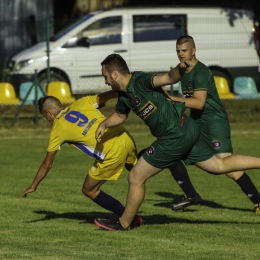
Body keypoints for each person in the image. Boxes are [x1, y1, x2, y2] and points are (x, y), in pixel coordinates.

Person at [93, 53, 260, 231]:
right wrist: (105, 123)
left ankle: (124, 223)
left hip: (173, 137)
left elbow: (167, 77)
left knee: (135, 177)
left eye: (106, 76)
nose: (106, 82)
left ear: (115, 74)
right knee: (218, 165)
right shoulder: (124, 95)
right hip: (187, 128)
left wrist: (180, 69)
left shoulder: (140, 80)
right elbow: (120, 115)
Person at [162, 35, 260, 214]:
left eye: (184, 51)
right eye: (178, 51)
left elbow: (199, 103)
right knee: (175, 150)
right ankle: (191, 195)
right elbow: (167, 78)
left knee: (226, 166)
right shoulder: (183, 70)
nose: (180, 54)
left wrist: (172, 99)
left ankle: (258, 200)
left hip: (214, 121)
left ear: (193, 51)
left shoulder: (201, 72)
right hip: (197, 122)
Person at [22, 91, 142, 226]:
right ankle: (165, 160)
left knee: (89, 190)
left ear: (49, 113)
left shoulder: (57, 129)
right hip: (124, 136)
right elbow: (105, 96)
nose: (48, 120)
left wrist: (33, 186)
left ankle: (129, 217)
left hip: (112, 151)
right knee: (139, 174)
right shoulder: (81, 102)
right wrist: (121, 89)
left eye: (45, 117)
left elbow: (47, 163)